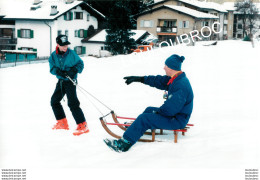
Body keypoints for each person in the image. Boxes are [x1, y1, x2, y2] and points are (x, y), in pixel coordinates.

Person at [104, 54, 194, 152]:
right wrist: (139, 79)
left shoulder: (181, 85)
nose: (164, 68)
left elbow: (170, 110)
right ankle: (135, 128)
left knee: (145, 118)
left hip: (177, 120)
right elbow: (158, 81)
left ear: (172, 68)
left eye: (166, 66)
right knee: (149, 110)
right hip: (175, 116)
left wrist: (158, 113)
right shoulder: (176, 79)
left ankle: (124, 144)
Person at [49, 34, 89, 136]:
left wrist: (74, 70)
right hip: (61, 82)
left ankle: (82, 125)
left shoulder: (72, 54)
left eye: (66, 45)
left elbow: (80, 64)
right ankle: (62, 122)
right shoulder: (53, 56)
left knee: (72, 103)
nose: (65, 47)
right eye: (63, 45)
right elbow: (52, 68)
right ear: (58, 44)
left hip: (71, 81)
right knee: (54, 101)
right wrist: (58, 72)